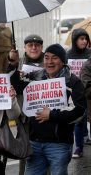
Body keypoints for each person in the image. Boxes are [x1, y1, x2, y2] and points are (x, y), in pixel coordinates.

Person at [24, 44, 85, 175]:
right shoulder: (35, 77)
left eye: (54, 58)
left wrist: (52, 115)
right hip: (35, 143)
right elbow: (15, 83)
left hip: (59, 145)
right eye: (46, 58)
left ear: (63, 61)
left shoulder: (73, 82)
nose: (49, 62)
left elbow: (79, 112)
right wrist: (12, 63)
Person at [7, 34, 44, 175]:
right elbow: (7, 80)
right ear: (25, 47)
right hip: (25, 117)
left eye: (37, 45)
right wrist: (12, 62)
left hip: (45, 115)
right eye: (30, 45)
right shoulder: (18, 62)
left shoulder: (49, 61)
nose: (33, 48)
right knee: (26, 152)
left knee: (45, 152)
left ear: (41, 47)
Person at [66, 28, 91, 158]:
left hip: (88, 91)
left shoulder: (90, 53)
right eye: (81, 39)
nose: (84, 41)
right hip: (74, 91)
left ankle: (85, 136)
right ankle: (78, 148)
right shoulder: (68, 54)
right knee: (78, 119)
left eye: (86, 38)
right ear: (75, 40)